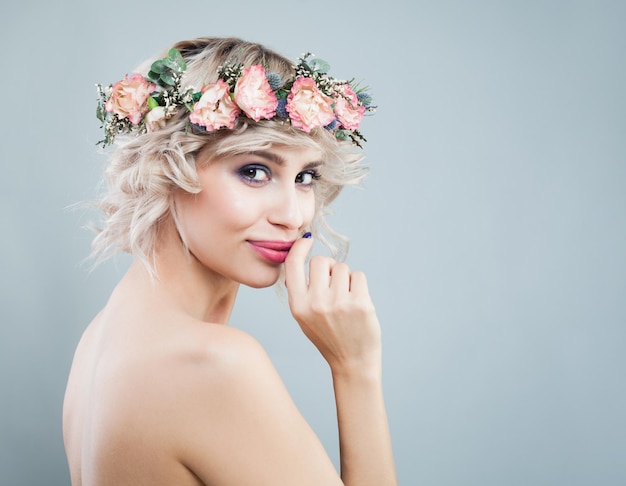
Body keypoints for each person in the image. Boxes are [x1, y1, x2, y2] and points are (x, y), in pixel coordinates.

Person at [63, 36, 397, 485]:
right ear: (169, 165)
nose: (293, 215)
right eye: (254, 171)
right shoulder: (213, 365)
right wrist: (356, 368)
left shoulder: (100, 338)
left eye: (305, 177)